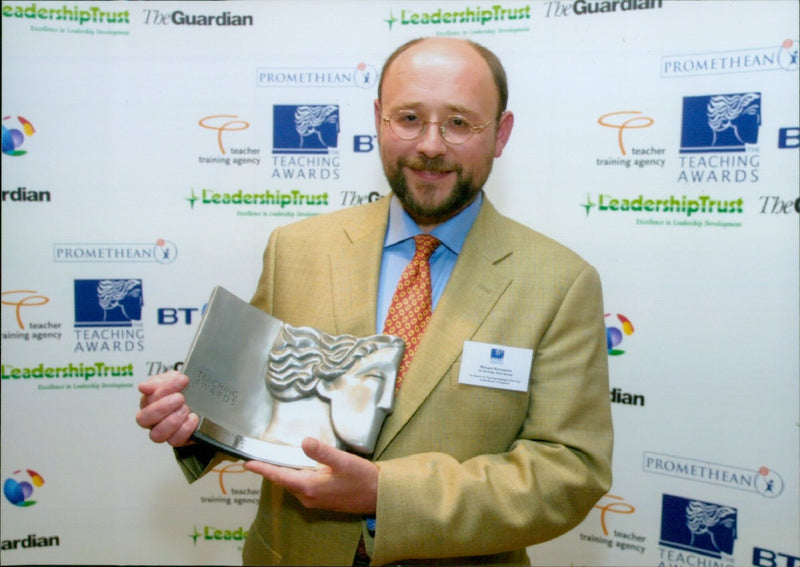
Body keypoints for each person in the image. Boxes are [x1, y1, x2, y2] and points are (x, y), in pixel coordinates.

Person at [136, 37, 613, 565]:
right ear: (379, 120)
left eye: (459, 123)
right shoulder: (296, 249)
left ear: (500, 134)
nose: (431, 145)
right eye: (409, 117)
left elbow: (568, 471)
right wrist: (193, 417)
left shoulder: (560, 283)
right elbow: (254, 402)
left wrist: (384, 494)